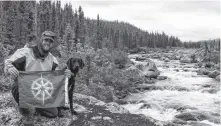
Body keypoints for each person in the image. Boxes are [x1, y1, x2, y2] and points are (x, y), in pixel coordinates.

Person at [4, 31, 72, 125]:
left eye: (50, 41)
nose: (48, 43)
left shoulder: (52, 60)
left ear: (52, 44)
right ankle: (24, 110)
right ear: (41, 40)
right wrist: (10, 68)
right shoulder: (26, 52)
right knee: (18, 87)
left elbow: (56, 76)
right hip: (23, 89)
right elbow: (7, 63)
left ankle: (36, 106)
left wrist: (64, 74)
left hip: (39, 91)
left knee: (53, 113)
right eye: (46, 40)